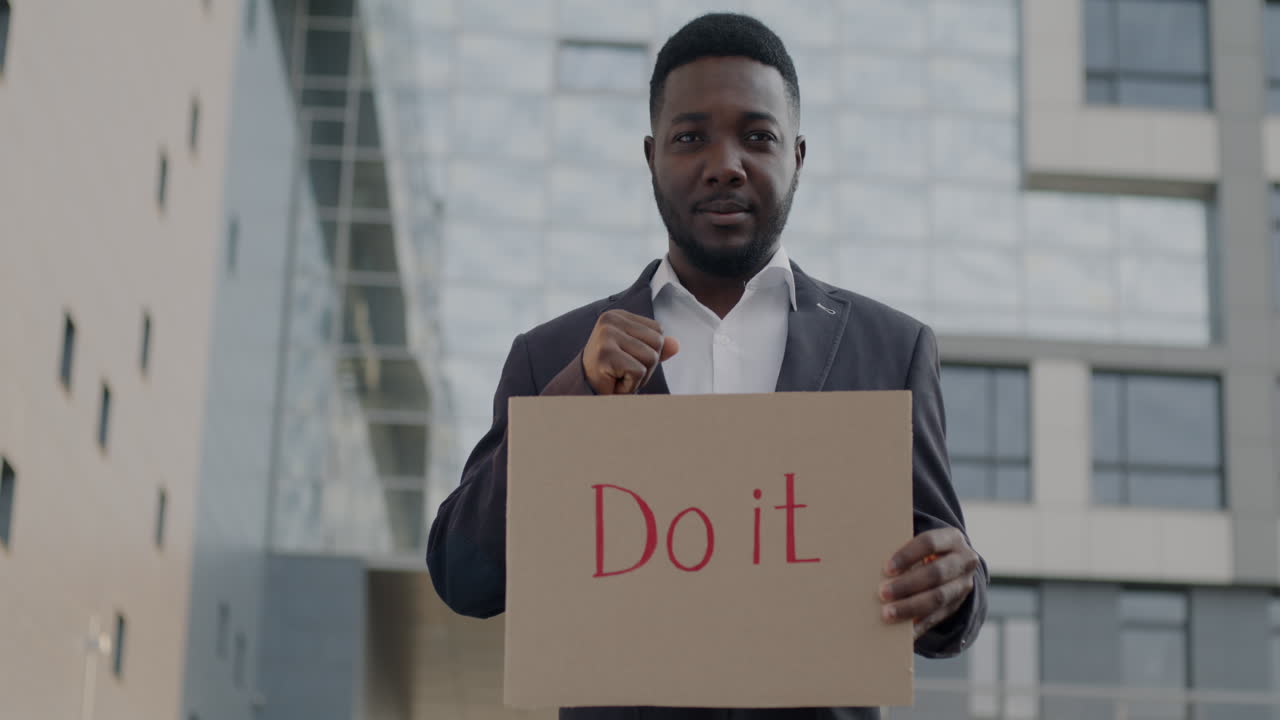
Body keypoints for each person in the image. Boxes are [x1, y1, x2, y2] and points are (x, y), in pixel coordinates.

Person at [427, 12, 987, 720]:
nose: (726, 163)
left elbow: (943, 579)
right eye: (691, 138)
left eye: (758, 137)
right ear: (651, 156)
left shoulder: (891, 349)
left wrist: (956, 584)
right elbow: (465, 578)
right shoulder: (553, 358)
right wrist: (573, 401)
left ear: (799, 156)